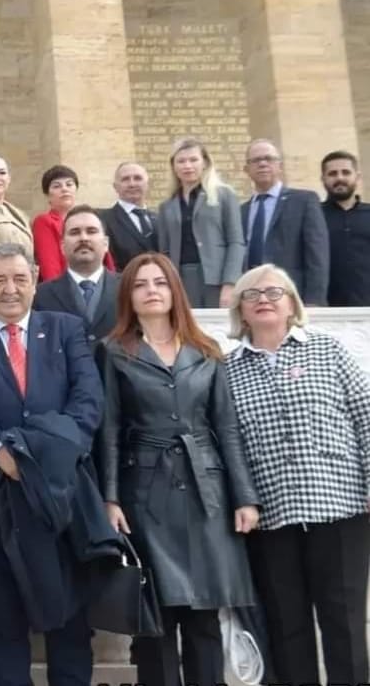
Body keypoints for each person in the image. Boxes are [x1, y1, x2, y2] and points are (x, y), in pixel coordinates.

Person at [0, 243, 106, 686]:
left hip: (60, 494)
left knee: (69, 611)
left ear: (35, 279)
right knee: (2, 616)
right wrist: (0, 452)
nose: (10, 290)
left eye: (19, 279)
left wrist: (50, 457)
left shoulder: (68, 329)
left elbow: (87, 400)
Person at [100, 253, 260, 686]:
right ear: (128, 296)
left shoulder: (206, 350)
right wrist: (110, 498)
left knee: (205, 616)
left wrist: (244, 497)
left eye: (160, 282)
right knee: (156, 618)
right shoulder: (114, 352)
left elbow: (227, 428)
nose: (152, 290)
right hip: (144, 494)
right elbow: (110, 430)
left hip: (206, 493)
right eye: (140, 284)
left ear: (175, 291)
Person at [225, 263, 370, 685]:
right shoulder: (228, 370)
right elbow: (228, 444)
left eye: (274, 292)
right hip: (269, 519)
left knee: (344, 625)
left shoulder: (329, 350)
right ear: (241, 311)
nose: (264, 299)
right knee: (288, 629)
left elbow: (365, 416)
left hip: (340, 510)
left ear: (291, 304)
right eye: (252, 295)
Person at [156, 137, 245, 308]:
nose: (187, 166)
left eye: (193, 160)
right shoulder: (167, 205)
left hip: (216, 278)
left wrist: (230, 283)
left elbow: (236, 242)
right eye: (181, 161)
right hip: (180, 279)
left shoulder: (224, 195)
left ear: (205, 162)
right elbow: (164, 251)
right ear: (173, 166)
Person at [240, 138, 329, 305]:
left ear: (280, 166)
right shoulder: (241, 211)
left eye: (269, 158)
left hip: (291, 295)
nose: (263, 164)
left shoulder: (304, 201)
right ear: (246, 169)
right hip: (252, 297)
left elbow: (317, 254)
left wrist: (315, 301)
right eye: (256, 160)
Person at [33, 205, 119, 347]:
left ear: (106, 244)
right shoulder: (41, 296)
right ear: (62, 246)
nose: (83, 238)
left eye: (91, 231)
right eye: (74, 232)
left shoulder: (129, 289)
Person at [32, 165, 115, 282]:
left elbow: (106, 259)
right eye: (56, 186)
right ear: (47, 195)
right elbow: (49, 266)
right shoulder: (44, 221)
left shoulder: (91, 217)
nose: (64, 189)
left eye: (69, 184)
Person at [321, 149, 370, 305]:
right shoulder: (313, 217)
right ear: (323, 179)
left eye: (346, 172)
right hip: (326, 310)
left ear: (357, 177)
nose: (340, 178)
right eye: (333, 173)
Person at [102, 162, 158, 271]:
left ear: (147, 184)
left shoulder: (160, 220)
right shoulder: (104, 220)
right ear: (115, 187)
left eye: (137, 178)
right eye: (125, 179)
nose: (132, 184)